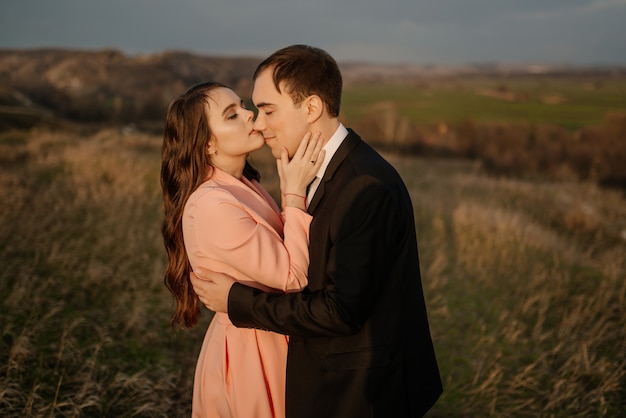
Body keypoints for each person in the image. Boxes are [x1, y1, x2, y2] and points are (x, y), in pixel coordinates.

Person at [192, 45, 443, 417]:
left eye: (268, 109)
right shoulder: (313, 170)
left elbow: (338, 310)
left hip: (360, 394)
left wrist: (236, 302)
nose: (258, 123)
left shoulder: (364, 185)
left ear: (311, 108)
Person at [160, 81, 324, 417]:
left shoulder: (242, 184)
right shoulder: (211, 205)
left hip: (271, 335)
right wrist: (294, 193)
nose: (251, 116)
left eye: (243, 106)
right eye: (232, 115)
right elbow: (293, 276)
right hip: (253, 354)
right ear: (207, 144)